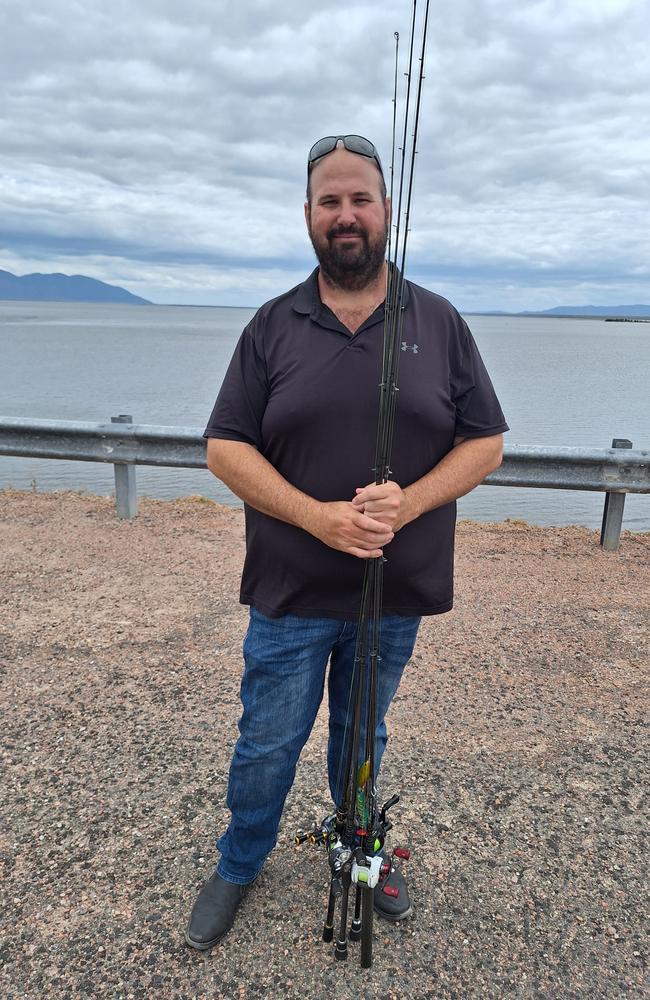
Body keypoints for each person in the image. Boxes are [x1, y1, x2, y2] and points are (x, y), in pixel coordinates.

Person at [185, 134, 508, 950]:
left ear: (386, 210)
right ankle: (239, 860)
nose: (346, 215)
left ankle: (356, 848)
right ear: (307, 216)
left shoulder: (438, 321)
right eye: (329, 201)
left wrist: (412, 502)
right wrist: (314, 516)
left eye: (360, 198)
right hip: (291, 588)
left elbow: (485, 442)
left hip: (393, 592)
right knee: (268, 740)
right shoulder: (272, 325)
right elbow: (225, 447)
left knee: (362, 736)